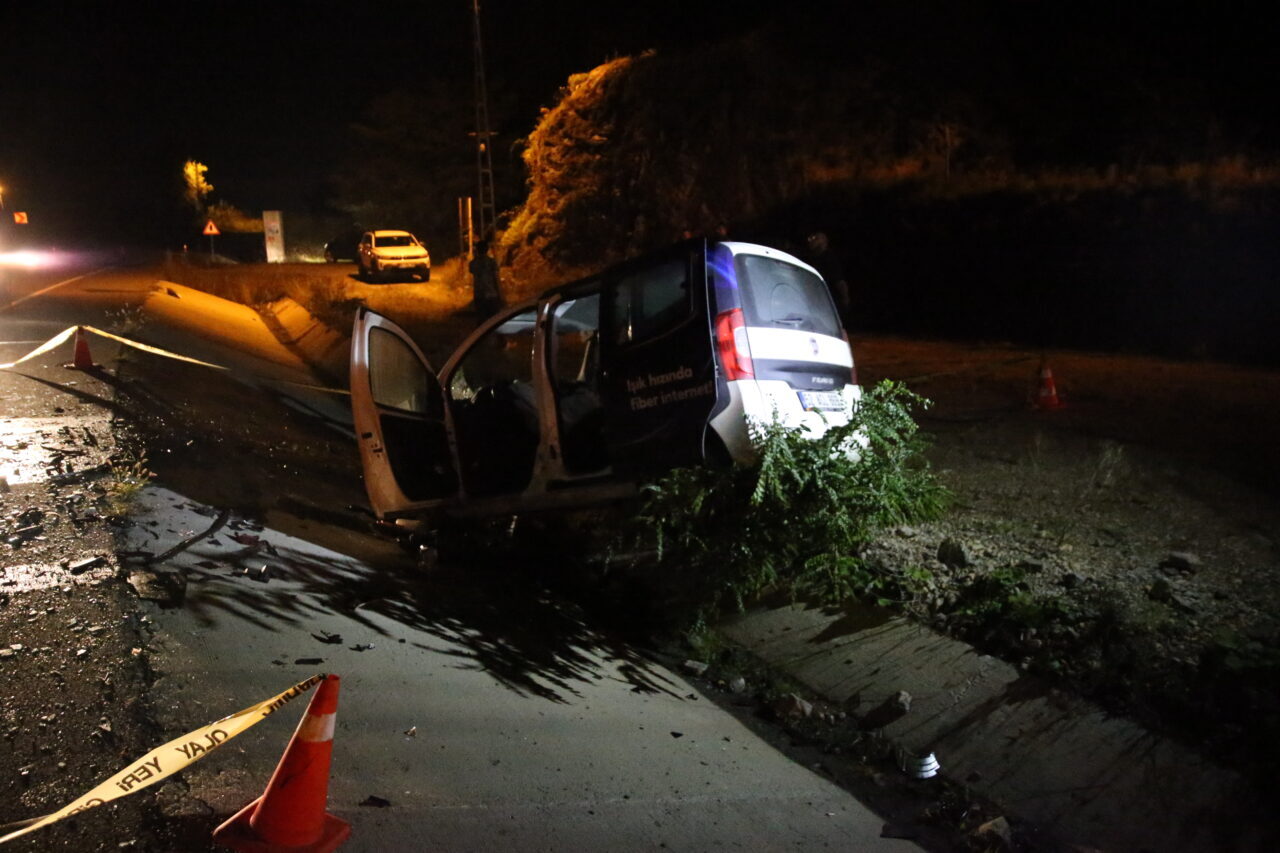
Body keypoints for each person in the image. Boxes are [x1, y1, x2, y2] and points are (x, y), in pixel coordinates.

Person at [804, 231, 851, 320]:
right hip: (816, 300)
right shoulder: (812, 259)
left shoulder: (829, 258)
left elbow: (839, 281)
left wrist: (845, 297)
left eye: (815, 238)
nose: (811, 241)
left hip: (830, 300)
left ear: (823, 241)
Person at [469, 239, 503, 318]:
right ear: (487, 249)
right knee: (493, 319)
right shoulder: (492, 262)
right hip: (491, 294)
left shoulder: (473, 263)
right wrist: (500, 294)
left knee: (481, 319)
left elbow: (472, 270)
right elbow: (496, 279)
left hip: (479, 295)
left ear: (477, 250)